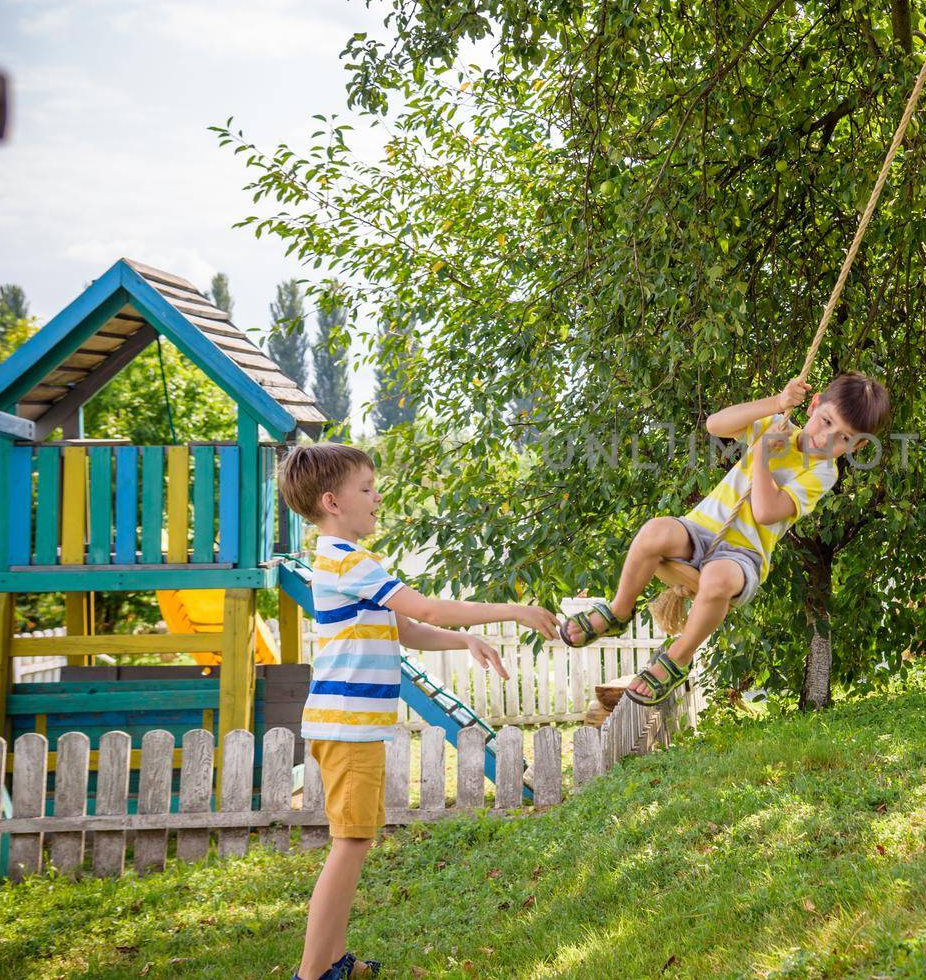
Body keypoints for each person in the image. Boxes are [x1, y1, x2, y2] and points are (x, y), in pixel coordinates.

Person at [279, 442, 558, 980]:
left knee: (354, 839)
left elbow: (407, 627)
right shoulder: (348, 560)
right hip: (346, 726)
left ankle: (335, 963)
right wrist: (514, 610)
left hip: (348, 726)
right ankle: (313, 975)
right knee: (351, 843)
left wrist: (464, 642)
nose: (377, 496)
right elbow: (424, 606)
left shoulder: (343, 563)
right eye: (366, 488)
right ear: (333, 501)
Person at [558, 371, 890, 705]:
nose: (827, 438)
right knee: (654, 531)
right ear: (813, 405)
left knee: (717, 579)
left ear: (858, 446)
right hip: (701, 529)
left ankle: (677, 658)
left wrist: (761, 457)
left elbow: (765, 511)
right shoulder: (779, 426)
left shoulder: (822, 473)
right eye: (826, 421)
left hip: (743, 556)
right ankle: (618, 611)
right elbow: (715, 425)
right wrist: (777, 402)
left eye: (844, 438)